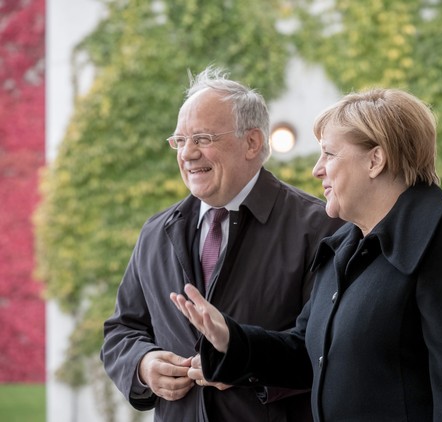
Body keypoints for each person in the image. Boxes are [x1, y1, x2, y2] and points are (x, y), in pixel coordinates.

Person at [171, 88, 442, 421]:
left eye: (329, 154)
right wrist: (231, 338)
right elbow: (305, 354)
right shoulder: (343, 245)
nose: (317, 170)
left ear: (375, 160)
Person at [100, 66, 344, 421]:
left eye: (202, 138)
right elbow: (122, 330)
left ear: (252, 142)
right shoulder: (155, 233)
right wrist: (142, 364)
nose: (187, 154)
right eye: (180, 141)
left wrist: (243, 363)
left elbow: (329, 349)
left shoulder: (321, 227)